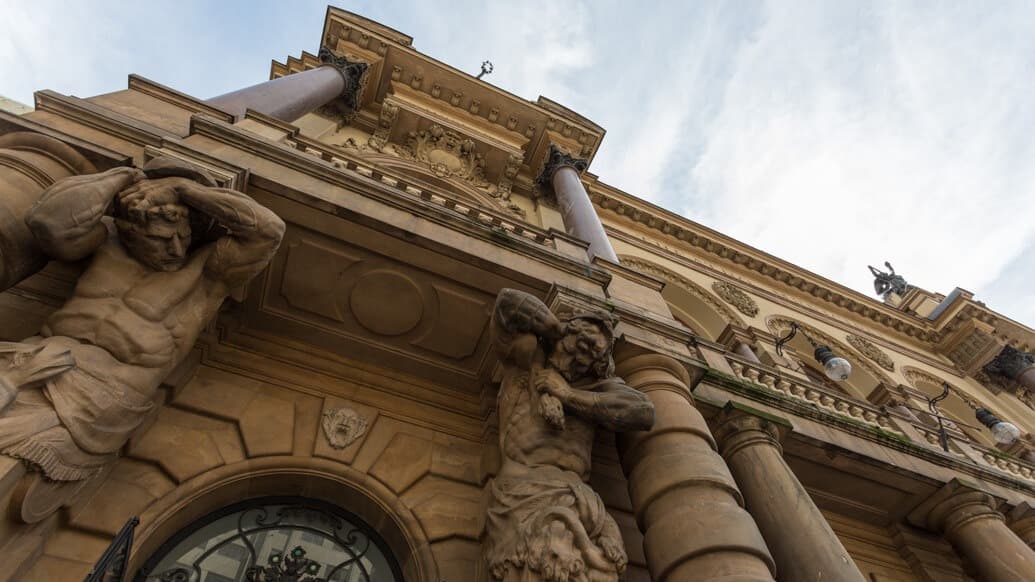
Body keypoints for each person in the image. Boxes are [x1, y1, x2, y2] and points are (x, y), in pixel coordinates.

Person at [0, 158, 284, 518]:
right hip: (31, 358)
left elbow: (270, 230)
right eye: (163, 239)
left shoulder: (207, 273)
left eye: (184, 236)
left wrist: (184, 189)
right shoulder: (105, 244)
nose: (177, 249)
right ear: (130, 229)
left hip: (102, 395)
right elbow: (47, 222)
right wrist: (125, 176)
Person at [485, 288, 654, 582]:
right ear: (567, 333)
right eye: (582, 343)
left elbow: (643, 412)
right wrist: (554, 328)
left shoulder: (593, 389)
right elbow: (506, 304)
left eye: (592, 354)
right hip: (526, 489)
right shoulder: (525, 361)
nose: (582, 355)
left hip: (585, 501)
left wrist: (567, 394)